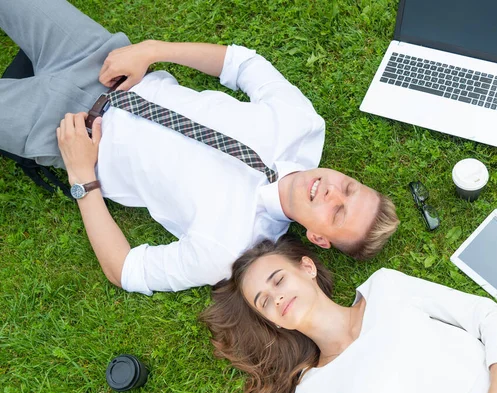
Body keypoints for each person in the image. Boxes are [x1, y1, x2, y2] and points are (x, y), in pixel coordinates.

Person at [0, 0, 399, 295]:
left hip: (66, 129)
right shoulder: (303, 125)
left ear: (318, 239)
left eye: (338, 212)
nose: (333, 192)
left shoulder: (226, 248)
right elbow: (244, 64)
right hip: (101, 60)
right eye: (348, 187)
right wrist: (154, 50)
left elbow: (126, 270)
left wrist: (82, 177)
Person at [201, 236, 497, 393]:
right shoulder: (314, 388)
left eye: (277, 280)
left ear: (308, 268)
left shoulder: (385, 289)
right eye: (264, 302)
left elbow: (487, 316)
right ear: (275, 323)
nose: (276, 298)